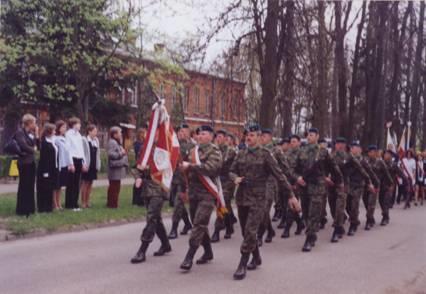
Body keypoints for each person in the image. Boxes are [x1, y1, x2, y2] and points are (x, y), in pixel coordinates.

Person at [229, 124, 299, 280]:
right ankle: (257, 256)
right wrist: (235, 178)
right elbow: (231, 171)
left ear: (260, 138)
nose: (249, 137)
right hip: (242, 197)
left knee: (250, 230)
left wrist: (291, 195)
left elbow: (280, 176)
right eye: (247, 135)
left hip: (258, 198)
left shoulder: (266, 154)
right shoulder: (240, 153)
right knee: (244, 231)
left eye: (252, 135)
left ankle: (242, 263)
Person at [179, 125, 222, 272]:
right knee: (199, 224)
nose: (200, 136)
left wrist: (190, 166)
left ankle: (189, 256)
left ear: (210, 136)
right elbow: (185, 172)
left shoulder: (215, 151)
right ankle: (208, 252)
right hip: (193, 194)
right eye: (199, 134)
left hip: (207, 194)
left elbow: (210, 168)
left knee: (198, 224)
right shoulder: (193, 151)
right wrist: (184, 188)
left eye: (203, 134)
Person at [294, 128, 343, 252]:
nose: (309, 137)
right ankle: (312, 234)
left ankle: (309, 238)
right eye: (308, 135)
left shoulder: (322, 152)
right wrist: (297, 178)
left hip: (318, 187)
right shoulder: (301, 151)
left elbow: (333, 167)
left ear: (317, 136)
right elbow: (293, 169)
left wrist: (339, 181)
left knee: (314, 213)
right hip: (304, 186)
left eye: (312, 135)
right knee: (305, 213)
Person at [130, 133, 172, 264]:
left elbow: (170, 169)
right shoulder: (145, 149)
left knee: (151, 217)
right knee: (156, 219)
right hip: (146, 189)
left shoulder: (166, 150)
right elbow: (137, 167)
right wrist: (137, 177)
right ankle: (166, 244)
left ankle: (142, 249)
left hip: (159, 188)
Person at [211, 129, 237, 243]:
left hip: (228, 180)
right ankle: (229, 225)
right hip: (217, 181)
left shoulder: (230, 151)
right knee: (225, 205)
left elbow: (221, 163)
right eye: (217, 137)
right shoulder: (214, 150)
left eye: (220, 137)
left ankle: (217, 230)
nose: (218, 139)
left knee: (221, 203)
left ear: (225, 138)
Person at [343, 141, 374, 238]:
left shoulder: (362, 160)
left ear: (359, 149)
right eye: (352, 147)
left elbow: (369, 172)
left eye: (355, 147)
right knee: (347, 205)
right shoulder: (347, 158)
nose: (353, 149)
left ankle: (353, 225)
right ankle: (355, 220)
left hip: (358, 185)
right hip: (349, 185)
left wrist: (372, 183)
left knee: (354, 205)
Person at [168, 124, 194, 239]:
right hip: (174, 178)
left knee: (178, 203)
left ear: (188, 133)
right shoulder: (173, 145)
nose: (181, 133)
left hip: (184, 180)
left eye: (184, 131)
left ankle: (174, 228)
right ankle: (188, 224)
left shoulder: (191, 147)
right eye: (179, 131)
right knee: (177, 203)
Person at [15, 114, 38, 217]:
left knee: (30, 185)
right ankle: (22, 209)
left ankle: (30, 208)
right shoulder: (20, 133)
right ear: (29, 123)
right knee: (24, 185)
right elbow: (23, 145)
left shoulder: (31, 133)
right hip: (24, 162)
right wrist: (33, 150)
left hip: (31, 162)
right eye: (34, 122)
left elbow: (36, 144)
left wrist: (36, 135)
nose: (35, 124)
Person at [282, 135, 305, 238]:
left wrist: (296, 182)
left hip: (296, 183)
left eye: (294, 141)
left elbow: (303, 170)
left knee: (290, 206)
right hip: (286, 182)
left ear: (299, 143)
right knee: (289, 205)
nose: (292, 143)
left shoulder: (302, 154)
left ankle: (287, 229)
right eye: (291, 141)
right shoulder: (287, 154)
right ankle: (300, 223)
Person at [366, 145, 393, 226]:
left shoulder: (380, 162)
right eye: (371, 152)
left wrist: (391, 183)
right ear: (368, 153)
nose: (372, 153)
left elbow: (386, 173)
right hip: (366, 185)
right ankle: (371, 218)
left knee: (373, 204)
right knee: (366, 202)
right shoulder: (365, 161)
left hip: (376, 185)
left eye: (374, 152)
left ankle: (371, 220)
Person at [65, 117, 87, 210]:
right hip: (72, 159)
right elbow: (68, 149)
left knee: (77, 182)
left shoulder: (78, 135)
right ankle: (69, 203)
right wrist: (71, 163)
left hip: (79, 159)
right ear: (74, 124)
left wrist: (84, 162)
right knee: (71, 183)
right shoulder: (68, 134)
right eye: (78, 123)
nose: (80, 125)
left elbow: (81, 150)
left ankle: (75, 202)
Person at [37, 123, 58, 213]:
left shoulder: (51, 141)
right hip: (46, 169)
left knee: (50, 188)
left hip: (53, 167)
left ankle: (49, 207)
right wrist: (45, 172)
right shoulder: (44, 143)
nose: (55, 132)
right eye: (53, 130)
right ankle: (43, 207)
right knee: (44, 188)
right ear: (49, 131)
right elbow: (44, 158)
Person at [107, 126, 128, 208]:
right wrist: (121, 154)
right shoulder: (112, 142)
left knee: (116, 186)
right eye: (119, 132)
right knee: (114, 187)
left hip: (117, 168)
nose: (121, 134)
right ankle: (112, 204)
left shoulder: (117, 142)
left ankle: (113, 203)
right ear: (114, 134)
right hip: (114, 169)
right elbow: (111, 154)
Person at [81, 124, 101, 209]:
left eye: (96, 131)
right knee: (85, 183)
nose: (96, 133)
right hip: (87, 164)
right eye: (94, 131)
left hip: (93, 164)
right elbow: (82, 153)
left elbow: (97, 154)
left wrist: (98, 164)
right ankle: (83, 202)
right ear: (89, 131)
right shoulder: (84, 140)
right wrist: (84, 164)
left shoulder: (96, 141)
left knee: (90, 183)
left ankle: (88, 201)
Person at [53, 120, 72, 210]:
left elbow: (68, 152)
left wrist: (69, 163)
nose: (65, 129)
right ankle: (54, 203)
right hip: (59, 164)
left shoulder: (64, 139)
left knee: (60, 185)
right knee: (56, 185)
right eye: (63, 127)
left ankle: (59, 202)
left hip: (64, 164)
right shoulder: (56, 139)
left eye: (65, 127)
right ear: (58, 128)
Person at [132, 126, 147, 206]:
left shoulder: (143, 143)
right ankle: (136, 200)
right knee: (138, 182)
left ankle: (140, 199)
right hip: (139, 164)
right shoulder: (138, 144)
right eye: (144, 133)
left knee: (141, 182)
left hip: (143, 164)